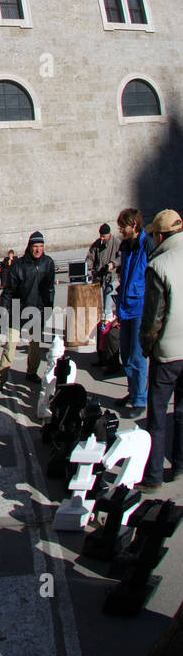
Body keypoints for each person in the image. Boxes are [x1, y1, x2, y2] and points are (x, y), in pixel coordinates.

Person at [139, 210, 183, 490]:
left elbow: (154, 317)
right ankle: (180, 467)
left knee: (157, 418)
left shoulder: (159, 264)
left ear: (161, 235)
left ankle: (153, 476)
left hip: (167, 353)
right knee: (182, 413)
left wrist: (146, 346)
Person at [0, 230, 55, 391]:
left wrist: (48, 308)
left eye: (41, 246)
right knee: (10, 347)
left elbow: (50, 289)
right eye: (35, 246)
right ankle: (0, 379)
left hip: (38, 310)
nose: (38, 249)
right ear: (30, 246)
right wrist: (3, 311)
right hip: (18, 310)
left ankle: (31, 372)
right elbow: (8, 291)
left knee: (35, 346)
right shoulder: (19, 265)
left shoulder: (48, 263)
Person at [116, 207, 152, 417]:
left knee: (137, 357)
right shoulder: (126, 246)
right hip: (125, 306)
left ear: (134, 225)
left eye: (123, 226)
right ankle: (132, 392)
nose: (121, 230)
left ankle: (140, 399)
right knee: (126, 354)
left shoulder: (146, 244)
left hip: (140, 307)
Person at [88, 222, 119, 320]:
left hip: (111, 277)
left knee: (107, 305)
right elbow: (90, 257)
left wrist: (113, 264)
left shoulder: (116, 243)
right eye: (100, 236)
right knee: (98, 304)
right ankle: (100, 320)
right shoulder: (96, 244)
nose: (102, 238)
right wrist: (87, 267)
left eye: (104, 236)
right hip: (99, 278)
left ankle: (107, 319)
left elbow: (121, 257)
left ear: (109, 234)